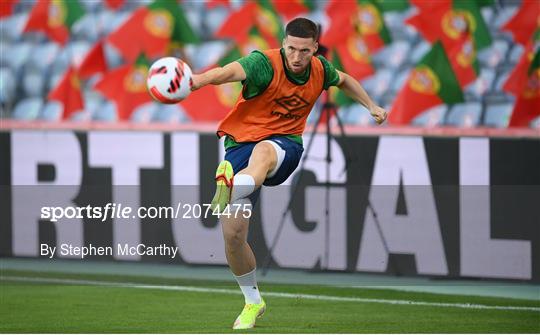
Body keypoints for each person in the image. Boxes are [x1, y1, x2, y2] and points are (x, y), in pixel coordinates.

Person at [190, 17, 387, 330]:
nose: (297, 57)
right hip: (239, 145)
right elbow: (228, 72)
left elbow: (345, 80)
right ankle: (253, 301)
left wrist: (371, 106)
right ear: (283, 44)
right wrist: (199, 80)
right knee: (234, 235)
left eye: (304, 51)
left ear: (315, 49)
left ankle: (232, 185)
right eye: (292, 48)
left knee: (264, 152)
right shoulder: (263, 64)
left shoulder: (321, 69)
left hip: (284, 146)